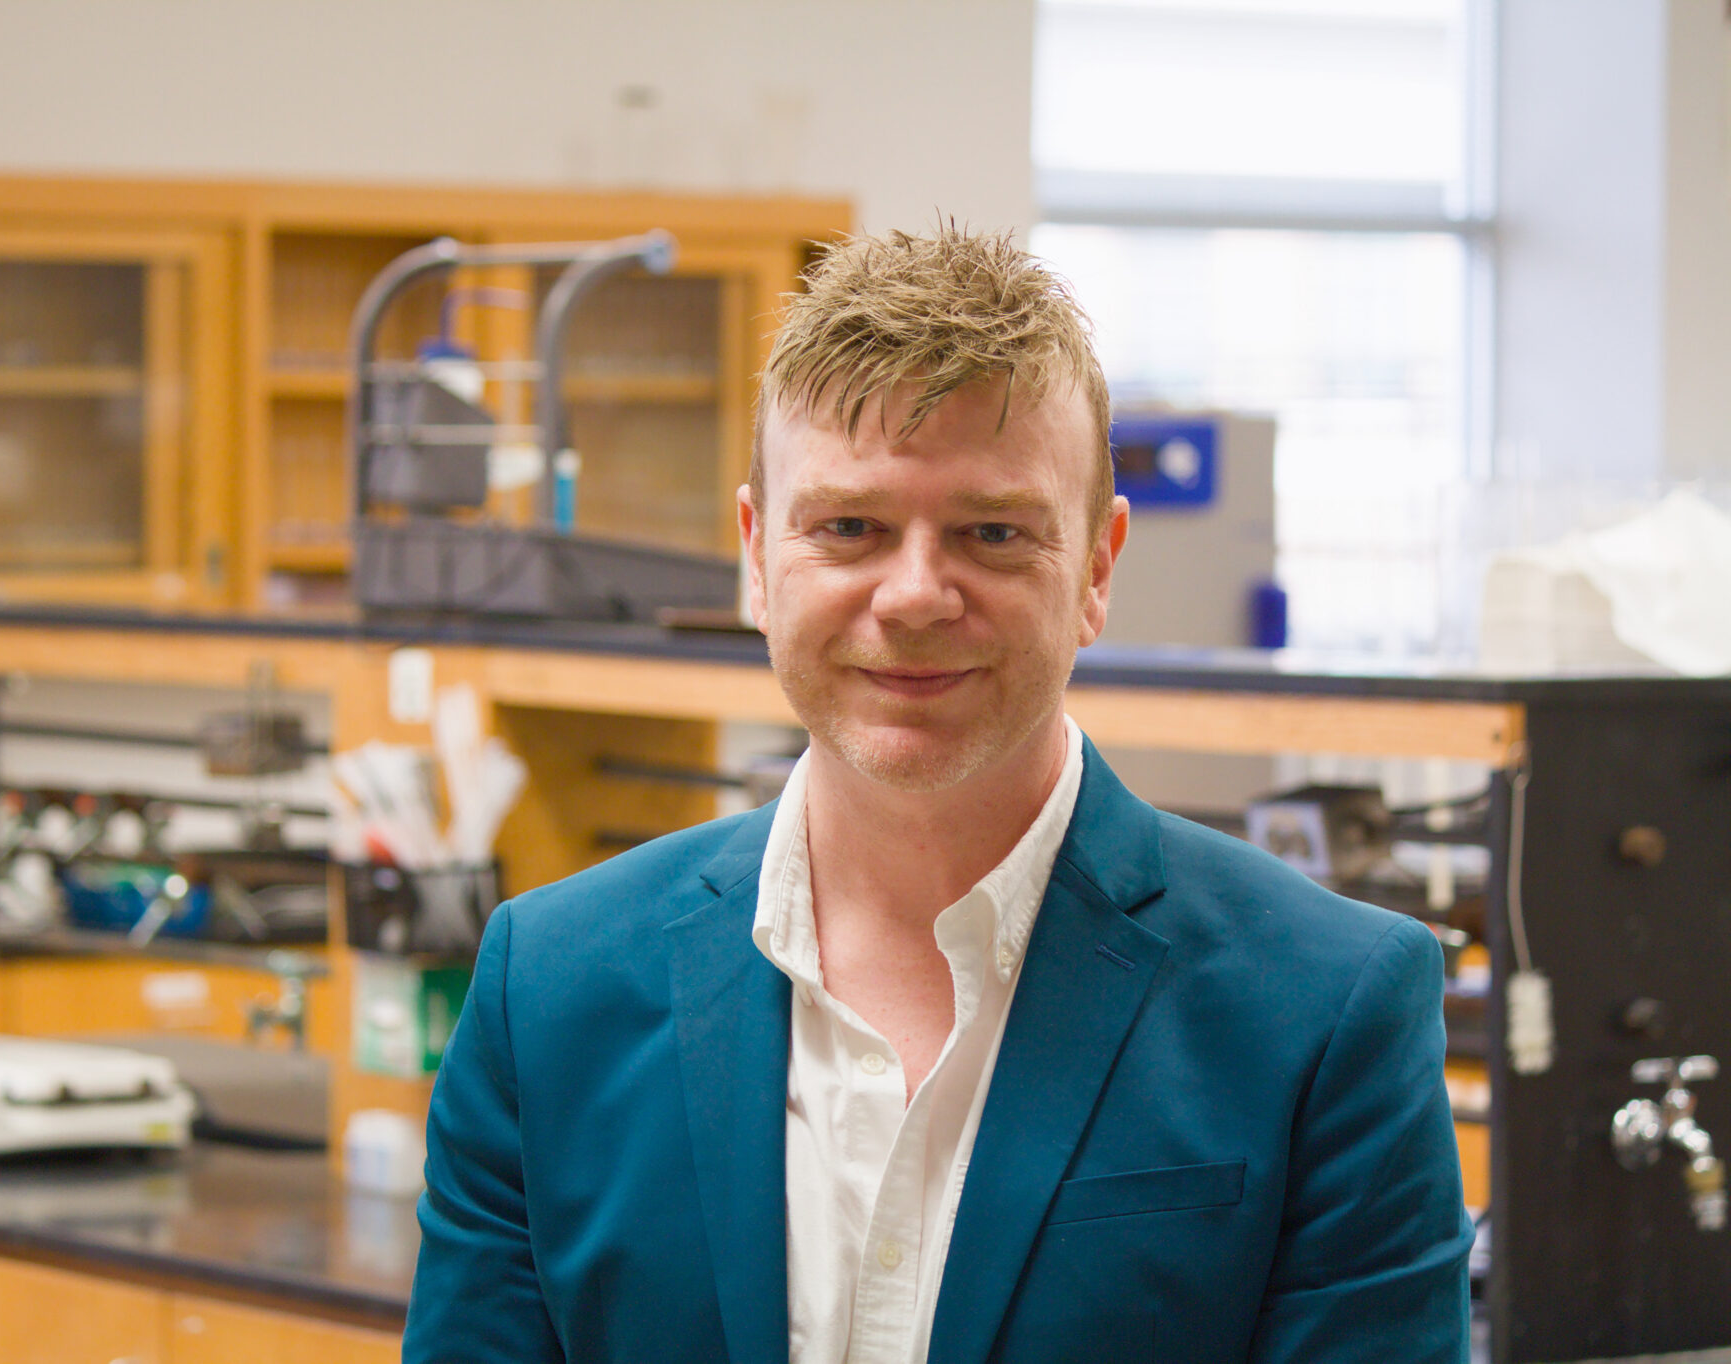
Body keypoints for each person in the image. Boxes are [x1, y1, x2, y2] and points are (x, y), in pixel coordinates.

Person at [404, 226, 1473, 1364]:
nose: (914, 595)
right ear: (757, 556)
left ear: (1097, 567)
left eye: (993, 532)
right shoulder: (546, 991)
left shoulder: (1325, 1008)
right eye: (849, 527)